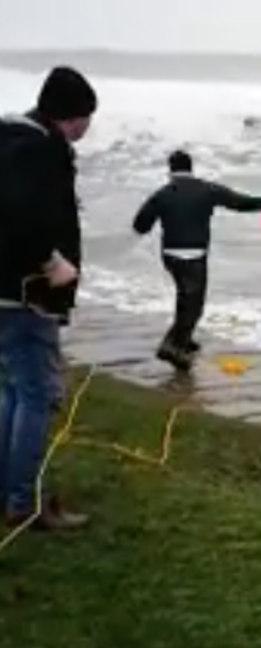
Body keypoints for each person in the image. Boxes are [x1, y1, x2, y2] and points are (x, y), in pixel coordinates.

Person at [0, 66, 97, 530]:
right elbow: (20, 213)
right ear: (70, 117)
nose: (87, 129)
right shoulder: (38, 149)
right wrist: (50, 261)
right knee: (37, 394)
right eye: (86, 118)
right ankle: (23, 503)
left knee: (15, 391)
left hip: (6, 293)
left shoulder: (10, 139)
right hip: (26, 295)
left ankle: (10, 492)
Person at [132, 151, 261, 372]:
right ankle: (172, 346)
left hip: (170, 256)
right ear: (191, 168)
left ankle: (182, 339)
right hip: (194, 255)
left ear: (170, 170)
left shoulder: (162, 194)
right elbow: (240, 202)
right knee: (194, 305)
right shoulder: (207, 189)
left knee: (185, 296)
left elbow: (140, 225)